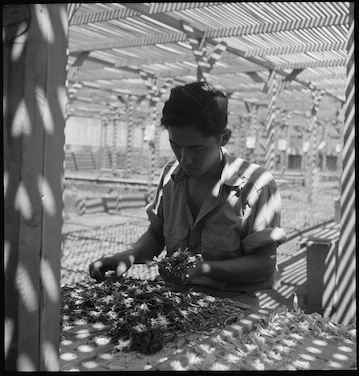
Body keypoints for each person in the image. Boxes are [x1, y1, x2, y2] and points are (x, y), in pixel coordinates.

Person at [89, 81, 287, 308]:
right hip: (172, 302)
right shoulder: (171, 176)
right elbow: (156, 234)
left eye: (196, 149)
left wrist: (206, 269)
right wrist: (131, 254)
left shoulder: (256, 186)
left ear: (223, 138)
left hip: (231, 306)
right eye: (176, 146)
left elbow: (264, 264)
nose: (185, 159)